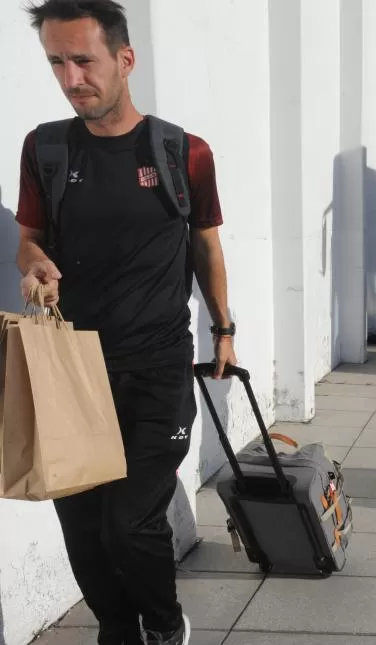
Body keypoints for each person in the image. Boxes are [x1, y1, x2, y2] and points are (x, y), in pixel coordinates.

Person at [15, 1, 236, 643]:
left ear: (125, 59)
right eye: (57, 61)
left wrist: (224, 328)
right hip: (72, 371)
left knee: (130, 522)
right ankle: (118, 628)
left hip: (157, 367)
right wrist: (34, 267)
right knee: (81, 526)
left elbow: (206, 247)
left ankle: (165, 627)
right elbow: (29, 241)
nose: (71, 76)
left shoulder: (182, 153)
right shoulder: (46, 149)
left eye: (83, 59)